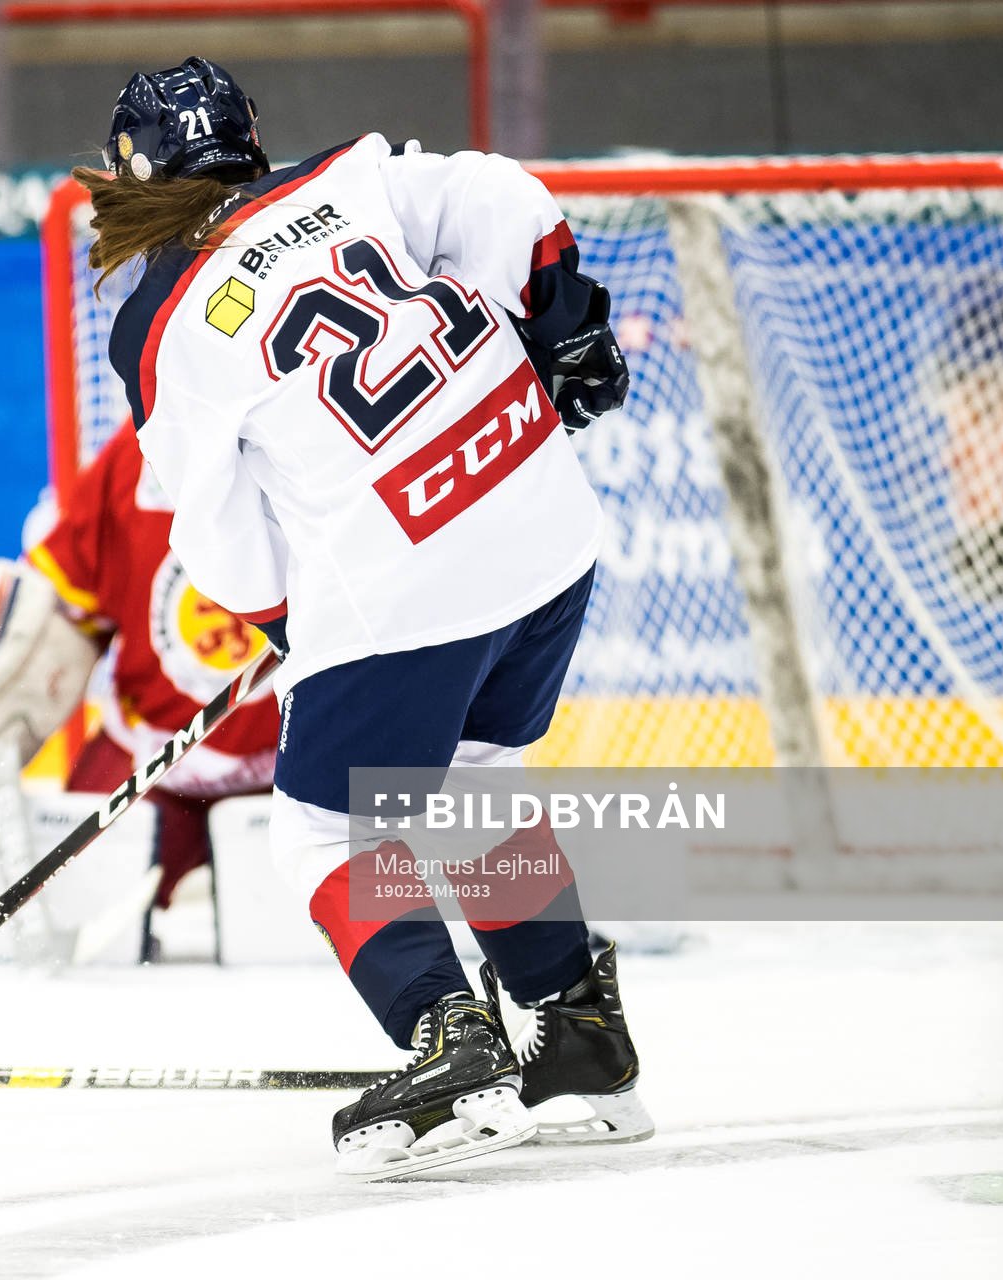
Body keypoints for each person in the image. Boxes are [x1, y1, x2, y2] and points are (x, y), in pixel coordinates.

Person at [80, 57, 650, 1178]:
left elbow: (212, 532)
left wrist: (286, 617)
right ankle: (577, 1031)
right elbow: (511, 201)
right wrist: (565, 317)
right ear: (250, 136)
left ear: (133, 174)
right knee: (477, 776)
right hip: (544, 517)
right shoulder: (354, 177)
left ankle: (452, 1039)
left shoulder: (160, 320)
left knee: (326, 828)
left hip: (409, 578)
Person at [0, 420, 280, 955]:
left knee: (402, 912)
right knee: (60, 906)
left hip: (309, 760)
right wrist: (8, 680)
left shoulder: (338, 453)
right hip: (155, 754)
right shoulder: (140, 451)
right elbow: (68, 595)